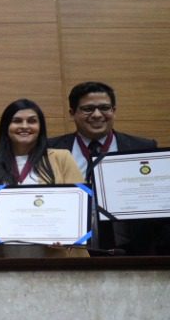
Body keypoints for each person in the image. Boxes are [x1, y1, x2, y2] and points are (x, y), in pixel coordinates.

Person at [48, 80, 163, 256]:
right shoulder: (52, 151)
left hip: (133, 252)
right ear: (72, 113)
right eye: (88, 109)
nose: (97, 114)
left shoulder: (142, 147)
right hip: (72, 251)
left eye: (104, 108)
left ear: (114, 111)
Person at [0, 99, 86, 258]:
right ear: (6, 127)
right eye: (17, 121)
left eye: (32, 121)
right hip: (6, 254)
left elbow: (80, 206)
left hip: (58, 253)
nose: (25, 126)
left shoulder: (62, 158)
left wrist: (65, 231)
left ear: (41, 127)